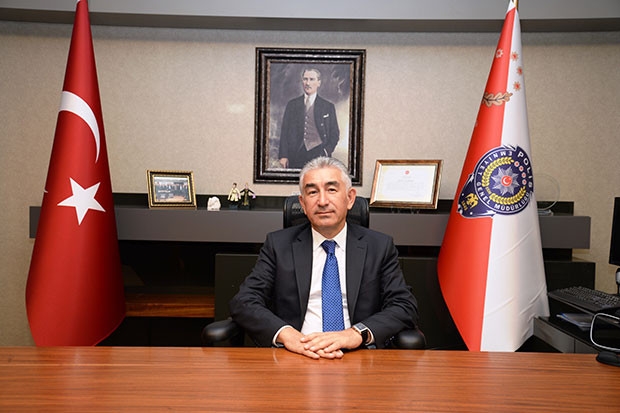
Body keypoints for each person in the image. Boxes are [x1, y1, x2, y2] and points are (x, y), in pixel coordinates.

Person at [230, 157, 419, 360]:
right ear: (302, 203)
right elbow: (244, 301)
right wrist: (287, 335)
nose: (322, 201)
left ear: (350, 198)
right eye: (312, 192)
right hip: (297, 354)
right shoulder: (278, 245)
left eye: (331, 190)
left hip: (358, 356)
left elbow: (403, 305)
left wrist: (356, 334)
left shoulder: (379, 246)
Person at [278, 68, 340, 169]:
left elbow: (335, 133)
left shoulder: (328, 106)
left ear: (319, 82)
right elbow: (284, 132)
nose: (308, 83)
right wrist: (283, 155)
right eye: (305, 79)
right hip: (295, 154)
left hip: (319, 154)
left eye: (311, 79)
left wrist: (326, 151)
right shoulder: (292, 105)